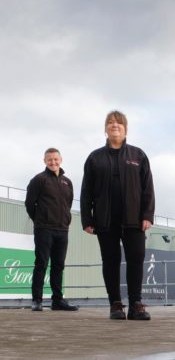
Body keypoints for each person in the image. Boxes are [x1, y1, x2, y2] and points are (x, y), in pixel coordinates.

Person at [80, 110, 155, 320]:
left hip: (134, 220)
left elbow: (148, 187)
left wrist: (147, 214)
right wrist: (87, 219)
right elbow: (86, 190)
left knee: (136, 260)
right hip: (105, 220)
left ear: (125, 129)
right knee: (110, 261)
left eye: (119, 123)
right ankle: (115, 304)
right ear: (105, 128)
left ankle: (136, 304)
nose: (115, 125)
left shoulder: (138, 155)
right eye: (111, 123)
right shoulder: (95, 158)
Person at [25, 148, 78, 312]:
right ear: (44, 161)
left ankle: (57, 301)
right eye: (49, 160)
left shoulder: (67, 182)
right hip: (44, 229)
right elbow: (29, 204)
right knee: (41, 264)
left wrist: (65, 220)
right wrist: (40, 220)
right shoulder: (39, 180)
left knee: (59, 265)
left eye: (55, 159)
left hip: (62, 230)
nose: (53, 162)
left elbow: (68, 204)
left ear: (60, 159)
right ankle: (37, 301)